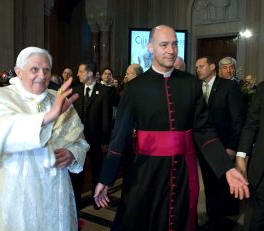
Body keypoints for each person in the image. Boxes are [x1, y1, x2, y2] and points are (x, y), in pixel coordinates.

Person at [94, 25, 249, 231]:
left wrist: (226, 168)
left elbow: (204, 131)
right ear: (150, 47)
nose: (171, 50)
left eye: (174, 44)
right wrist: (105, 178)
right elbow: (119, 138)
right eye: (164, 45)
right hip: (145, 172)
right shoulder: (134, 88)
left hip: (182, 172)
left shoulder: (191, 84)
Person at [0, 47, 89, 231]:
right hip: (16, 193)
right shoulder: (0, 97)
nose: (42, 75)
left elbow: (80, 141)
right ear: (18, 71)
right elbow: (1, 136)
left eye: (46, 70)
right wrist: (47, 118)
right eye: (34, 69)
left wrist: (72, 154)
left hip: (54, 192)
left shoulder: (57, 99)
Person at [196, 56, 246, 230]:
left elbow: (238, 119)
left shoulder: (228, 86)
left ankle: (222, 222)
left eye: (201, 66)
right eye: (196, 67)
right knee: (209, 186)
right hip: (204, 148)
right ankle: (212, 219)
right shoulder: (196, 88)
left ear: (212, 67)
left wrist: (232, 147)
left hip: (224, 147)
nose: (198, 69)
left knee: (223, 187)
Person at [70, 61, 112, 212]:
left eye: (81, 71)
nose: (78, 74)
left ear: (89, 73)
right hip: (78, 140)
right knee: (77, 172)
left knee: (97, 170)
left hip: (96, 140)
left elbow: (106, 119)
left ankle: (97, 199)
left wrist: (105, 142)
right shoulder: (76, 90)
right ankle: (75, 203)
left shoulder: (104, 91)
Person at [236, 81, 264, 231]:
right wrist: (240, 157)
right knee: (255, 221)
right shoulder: (262, 88)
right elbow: (251, 124)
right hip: (261, 172)